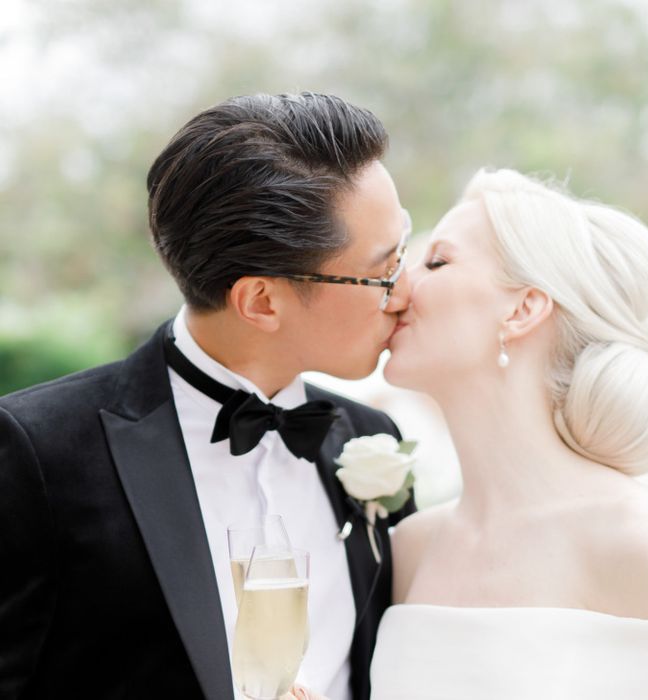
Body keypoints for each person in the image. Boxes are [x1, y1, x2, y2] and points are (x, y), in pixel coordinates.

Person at [0, 93, 414, 700]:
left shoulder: (370, 437)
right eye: (384, 270)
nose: (404, 291)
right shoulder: (39, 448)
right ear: (261, 302)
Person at [368, 169, 648, 698]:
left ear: (523, 309)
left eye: (436, 262)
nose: (398, 286)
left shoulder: (636, 541)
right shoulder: (411, 546)